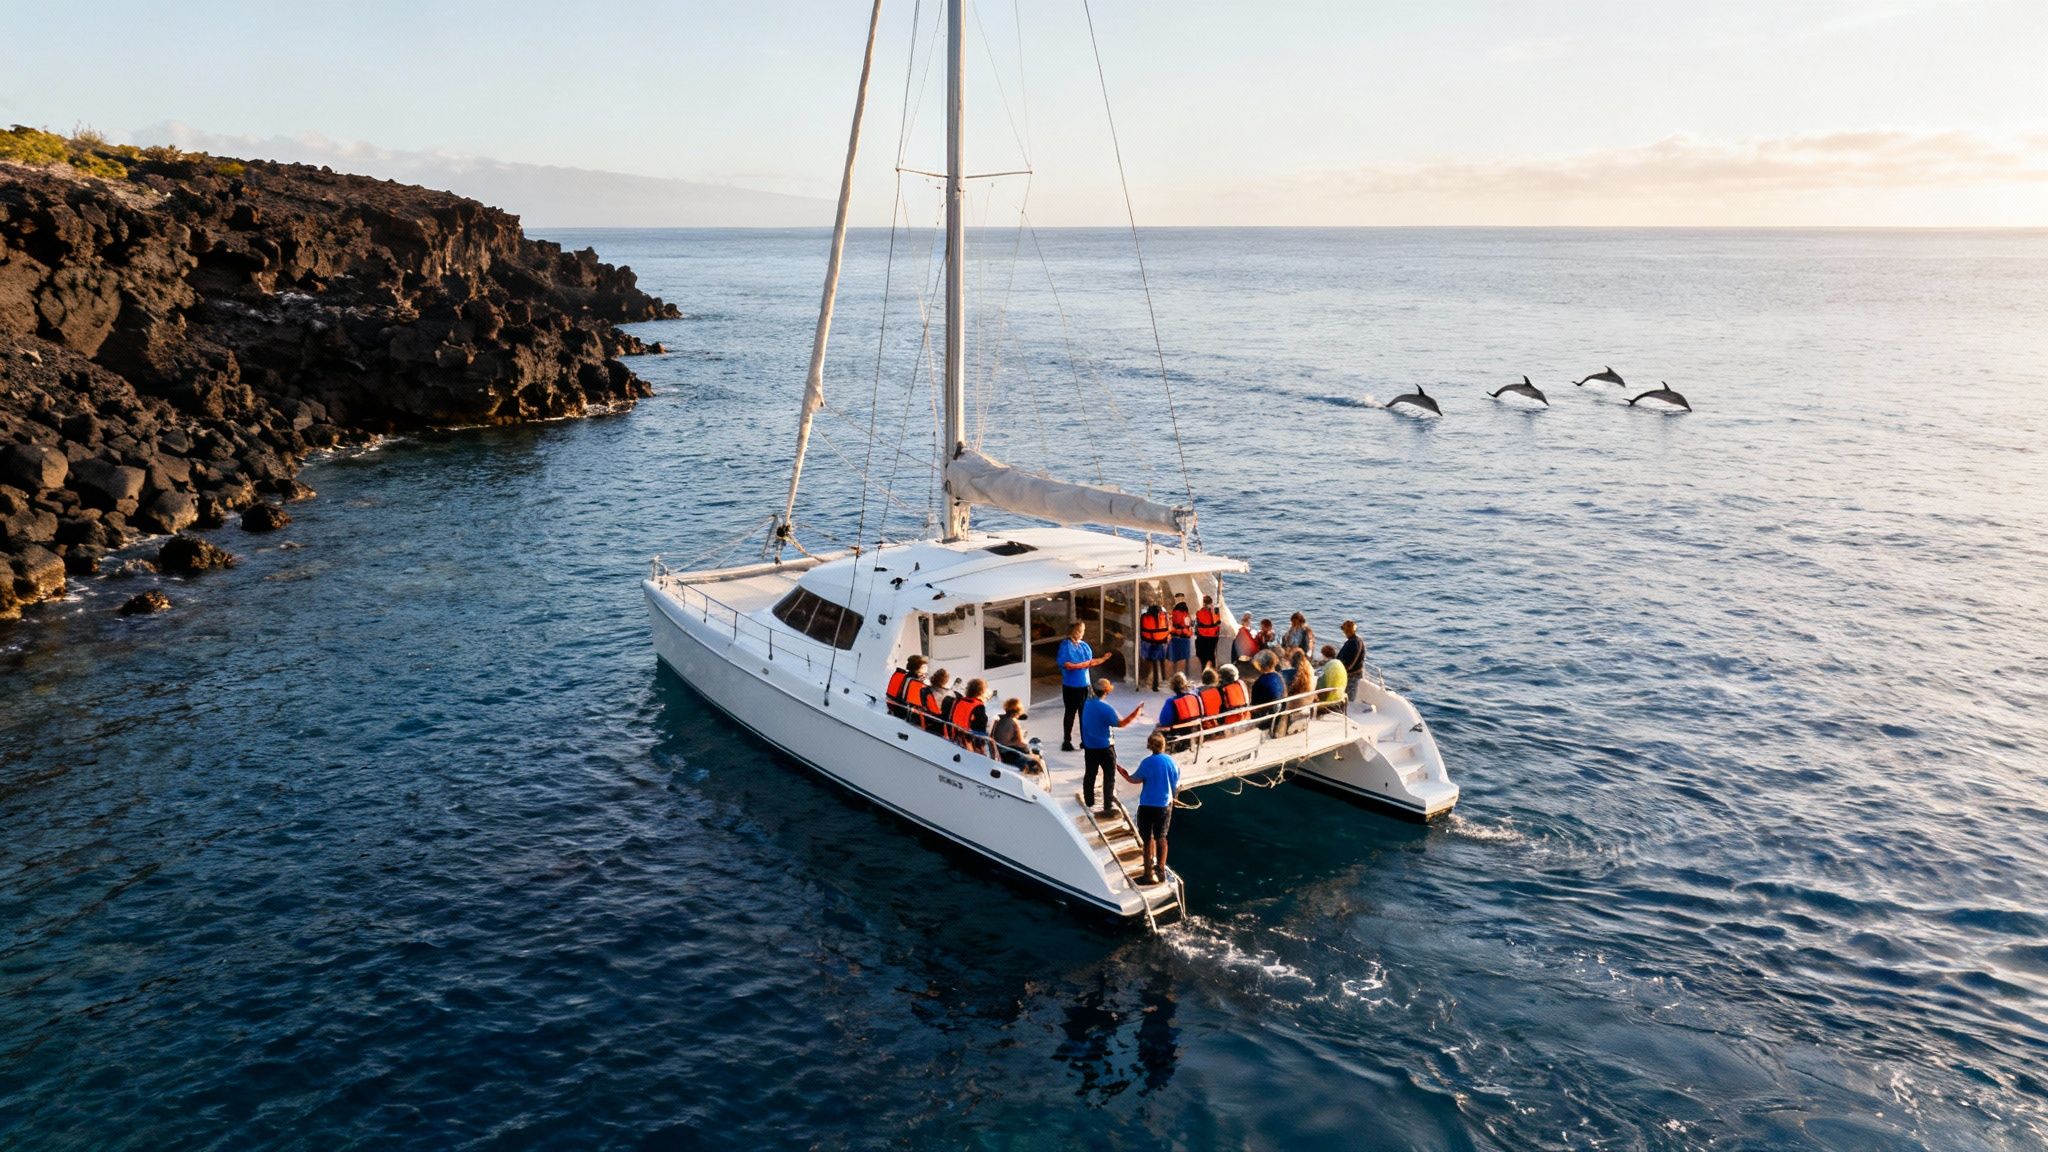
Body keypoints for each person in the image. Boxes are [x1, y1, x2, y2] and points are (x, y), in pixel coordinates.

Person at [1117, 731, 1181, 885]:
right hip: (1165, 806)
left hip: (1147, 806)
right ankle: (1161, 871)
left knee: (1147, 839)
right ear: (1163, 745)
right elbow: (1175, 785)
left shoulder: (1147, 762)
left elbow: (1134, 779)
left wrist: (1123, 773)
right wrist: (1174, 798)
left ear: (1149, 746)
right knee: (1162, 837)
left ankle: (1148, 874)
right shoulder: (1171, 762)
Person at [1080, 678, 1145, 817]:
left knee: (1090, 773)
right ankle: (1107, 806)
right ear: (1106, 691)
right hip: (1105, 747)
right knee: (1109, 776)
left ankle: (1089, 801)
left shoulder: (1086, 704)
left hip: (1089, 746)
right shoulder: (1105, 707)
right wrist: (1136, 713)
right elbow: (1121, 724)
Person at [1056, 621, 1111, 752]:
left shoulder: (1084, 646)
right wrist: (1082, 665)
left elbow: (1090, 662)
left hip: (1085, 685)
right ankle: (1067, 740)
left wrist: (1102, 659)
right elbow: (1067, 664)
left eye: (1082, 631)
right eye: (1079, 631)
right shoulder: (1066, 646)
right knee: (1070, 713)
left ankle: (1085, 740)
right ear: (1073, 631)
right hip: (1071, 686)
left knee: (1084, 714)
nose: (1081, 634)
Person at [1154, 672, 1207, 752]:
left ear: (1173, 687)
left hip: (1179, 735)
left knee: (1158, 727)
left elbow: (1164, 721)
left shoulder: (1172, 702)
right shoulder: (1195, 696)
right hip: (1196, 730)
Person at [990, 697, 1043, 773]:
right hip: (1009, 753)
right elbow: (1020, 742)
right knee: (1035, 742)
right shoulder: (1013, 722)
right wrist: (1029, 748)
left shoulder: (1000, 719)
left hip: (998, 749)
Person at [1249, 650, 1288, 735]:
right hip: (1277, 716)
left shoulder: (1260, 682)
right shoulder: (1279, 677)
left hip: (1264, 720)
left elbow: (1255, 706)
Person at [948, 677, 991, 752]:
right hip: (968, 743)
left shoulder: (959, 701)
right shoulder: (978, 706)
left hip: (953, 737)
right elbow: (980, 729)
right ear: (981, 692)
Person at [1137, 603, 1171, 691]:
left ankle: (1154, 684)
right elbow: (1168, 628)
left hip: (1149, 641)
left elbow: (1141, 629)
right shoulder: (1163, 617)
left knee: (1154, 662)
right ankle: (1163, 680)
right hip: (1161, 641)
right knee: (1162, 660)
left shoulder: (1145, 617)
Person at [887, 654, 930, 722]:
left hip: (894, 708)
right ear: (916, 670)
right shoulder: (915, 683)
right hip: (905, 714)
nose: (924, 675)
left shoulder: (904, 676)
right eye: (923, 673)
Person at [1284, 650, 1316, 733]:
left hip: (1291, 707)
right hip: (1305, 704)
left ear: (1292, 661)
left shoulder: (1288, 674)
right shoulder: (1310, 675)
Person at [1337, 620, 1366, 703]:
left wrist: (1343, 671)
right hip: (1348, 673)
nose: (1344, 633)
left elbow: (1352, 661)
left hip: (1352, 675)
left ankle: (1348, 712)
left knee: (1349, 699)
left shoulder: (1355, 642)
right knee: (1346, 696)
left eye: (1344, 631)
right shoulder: (1351, 641)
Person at [1217, 665, 1250, 732]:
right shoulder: (1241, 685)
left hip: (1231, 721)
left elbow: (1221, 708)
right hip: (1246, 717)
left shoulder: (1222, 690)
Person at [1168, 596, 1195, 677]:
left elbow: (1170, 624)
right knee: (1186, 658)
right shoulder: (1186, 615)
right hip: (1184, 638)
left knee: (1175, 658)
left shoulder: (1173, 613)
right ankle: (1186, 674)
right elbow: (1189, 625)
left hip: (1175, 637)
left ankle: (1174, 673)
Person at [1194, 596, 1222, 673]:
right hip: (1213, 638)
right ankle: (1213, 672)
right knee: (1211, 655)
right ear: (1211, 603)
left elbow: (1197, 625)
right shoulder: (1215, 611)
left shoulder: (1199, 613)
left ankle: (1204, 671)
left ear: (1203, 603)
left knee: (1203, 656)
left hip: (1203, 637)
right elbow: (1218, 623)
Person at [1317, 645, 1348, 714]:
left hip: (1330, 701)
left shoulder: (1327, 666)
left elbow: (1321, 684)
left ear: (1324, 655)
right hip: (1341, 697)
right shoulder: (1339, 663)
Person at [924, 668, 954, 736]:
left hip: (928, 718)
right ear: (946, 681)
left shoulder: (927, 690)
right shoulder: (949, 694)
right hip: (941, 723)